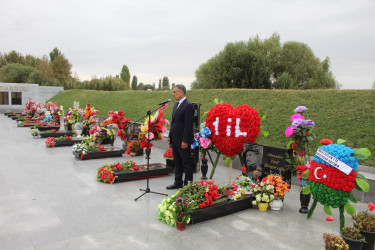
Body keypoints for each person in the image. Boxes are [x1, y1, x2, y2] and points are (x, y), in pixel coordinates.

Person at [166, 84, 194, 189]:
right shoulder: (176, 104)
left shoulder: (188, 105)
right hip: (175, 139)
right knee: (177, 162)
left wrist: (185, 140)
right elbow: (173, 123)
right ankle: (178, 182)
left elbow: (188, 125)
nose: (173, 94)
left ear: (181, 92)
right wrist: (170, 135)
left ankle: (188, 185)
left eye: (174, 92)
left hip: (183, 140)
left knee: (186, 164)